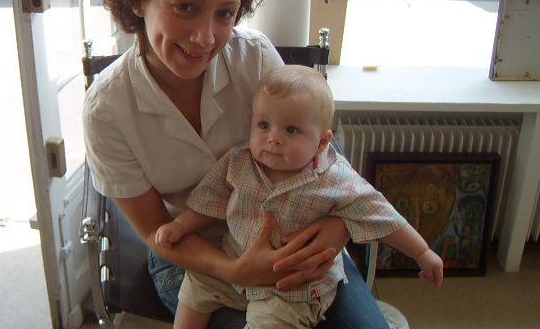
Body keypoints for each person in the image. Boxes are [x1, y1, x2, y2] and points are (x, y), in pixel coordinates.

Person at [84, 0, 394, 328]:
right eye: (185, 7)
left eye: (225, 13)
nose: (205, 37)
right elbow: (155, 229)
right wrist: (236, 270)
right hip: (193, 254)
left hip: (294, 231)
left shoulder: (255, 59)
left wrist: (338, 225)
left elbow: (319, 155)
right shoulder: (107, 110)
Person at [155, 65, 444, 328]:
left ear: (322, 142)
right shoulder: (239, 161)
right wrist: (180, 225)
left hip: (291, 286)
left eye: (291, 130)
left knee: (272, 323)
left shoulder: (336, 179)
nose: (273, 138)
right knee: (194, 288)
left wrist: (422, 253)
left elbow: (382, 215)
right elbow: (210, 201)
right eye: (264, 125)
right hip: (234, 257)